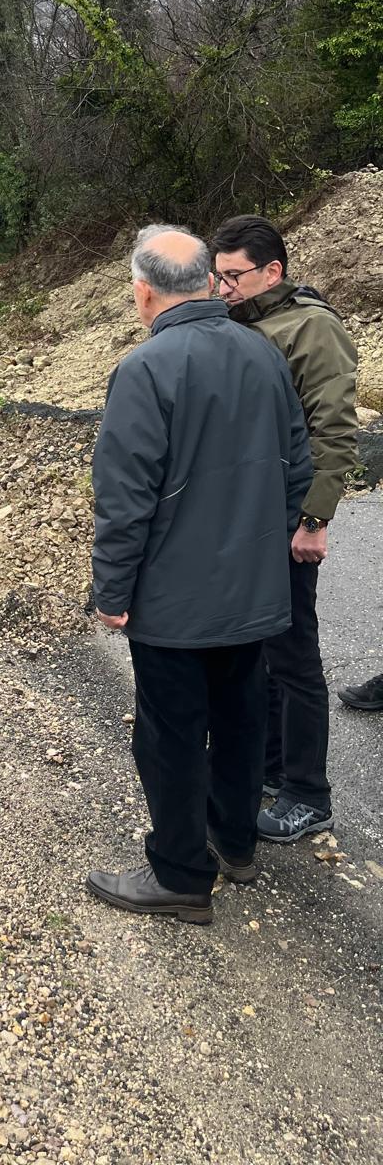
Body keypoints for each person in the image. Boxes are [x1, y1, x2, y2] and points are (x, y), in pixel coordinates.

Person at [88, 225, 311, 923]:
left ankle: (180, 874)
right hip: (253, 592)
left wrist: (112, 591)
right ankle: (236, 842)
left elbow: (125, 501)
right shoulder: (263, 352)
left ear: (143, 292)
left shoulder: (145, 369)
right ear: (211, 282)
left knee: (172, 734)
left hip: (175, 602)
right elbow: (296, 468)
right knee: (243, 718)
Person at [211, 214, 358, 840]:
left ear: (273, 270)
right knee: (261, 650)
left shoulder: (311, 327)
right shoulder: (240, 322)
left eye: (234, 277)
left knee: (295, 655)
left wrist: (315, 519)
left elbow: (336, 431)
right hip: (247, 517)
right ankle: (270, 768)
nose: (223, 289)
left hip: (290, 514)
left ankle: (308, 793)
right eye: (216, 278)